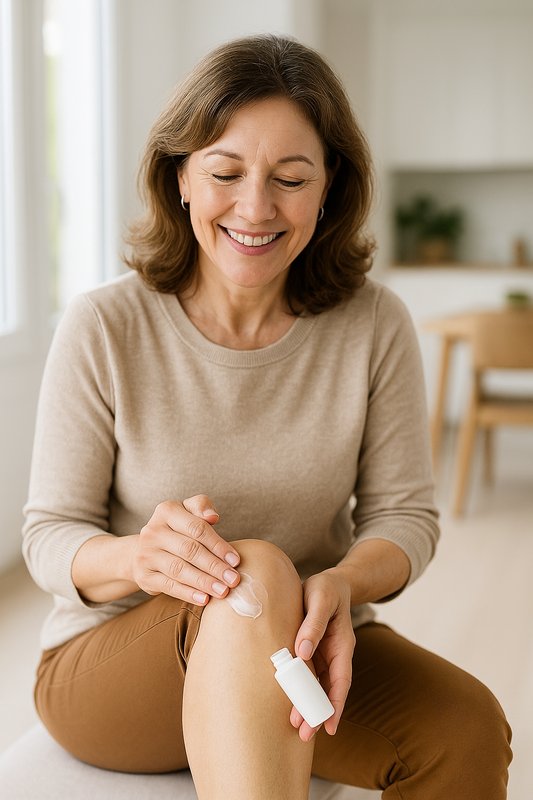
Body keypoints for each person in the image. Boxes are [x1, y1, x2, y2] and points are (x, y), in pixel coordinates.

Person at [23, 34, 511, 800]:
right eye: (224, 173)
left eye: (290, 178)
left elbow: (404, 517)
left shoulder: (373, 323)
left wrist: (344, 584)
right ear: (179, 177)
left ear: (327, 189)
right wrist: (136, 559)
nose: (255, 208)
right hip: (118, 666)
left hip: (301, 645)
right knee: (253, 572)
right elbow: (49, 533)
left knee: (467, 728)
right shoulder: (104, 325)